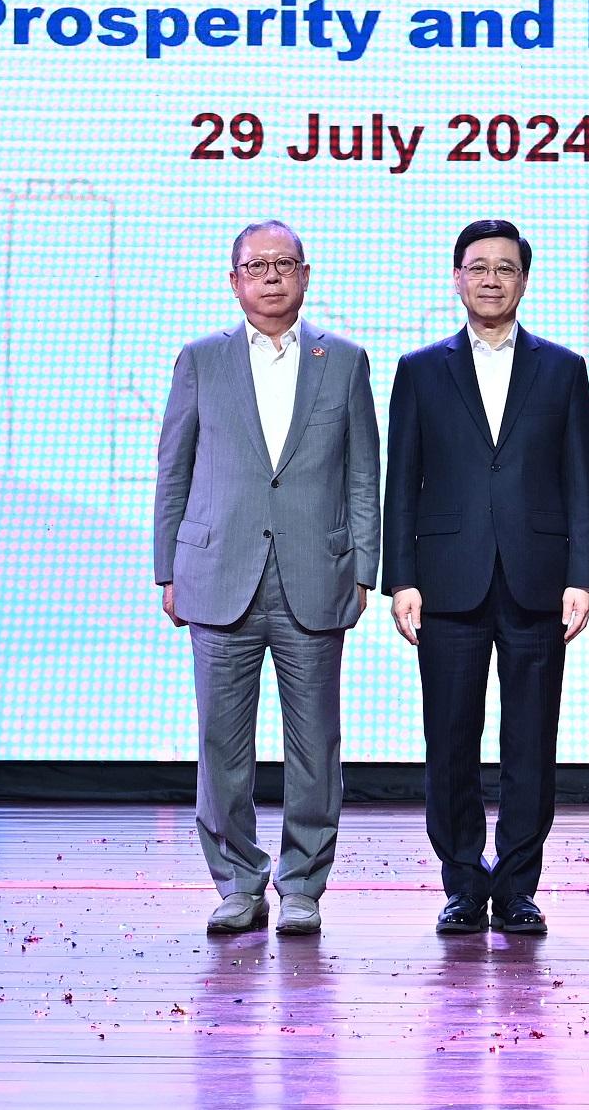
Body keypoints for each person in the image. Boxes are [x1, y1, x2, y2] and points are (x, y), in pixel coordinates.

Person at [153, 221, 380, 938]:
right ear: (234, 280)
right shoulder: (200, 359)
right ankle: (236, 882)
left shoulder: (342, 360)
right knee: (223, 745)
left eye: (285, 264)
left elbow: (362, 474)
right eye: (257, 265)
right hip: (218, 572)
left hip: (316, 575)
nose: (272, 276)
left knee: (315, 744)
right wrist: (167, 567)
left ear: (306, 275)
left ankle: (303, 884)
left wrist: (365, 568)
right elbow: (173, 469)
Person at [380, 219, 589, 939]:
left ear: (524, 281)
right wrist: (399, 578)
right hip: (445, 580)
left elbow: (580, 482)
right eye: (478, 267)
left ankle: (519, 888)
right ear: (456, 279)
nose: (492, 279)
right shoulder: (419, 369)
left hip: (538, 580)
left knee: (530, 741)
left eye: (506, 268)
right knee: (449, 741)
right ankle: (462, 884)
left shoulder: (563, 369)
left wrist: (583, 576)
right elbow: (400, 483)